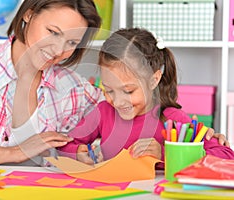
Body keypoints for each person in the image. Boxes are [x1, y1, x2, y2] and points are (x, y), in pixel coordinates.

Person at [0, 0, 104, 165]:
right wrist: (16, 152)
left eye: (72, 42)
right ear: (29, 14)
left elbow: (122, 116)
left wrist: (82, 152)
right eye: (53, 32)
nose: (58, 50)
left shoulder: (74, 88)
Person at [58, 27, 234, 165]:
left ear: (153, 80)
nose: (118, 102)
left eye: (128, 91)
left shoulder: (170, 118)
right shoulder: (103, 112)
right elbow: (66, 144)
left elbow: (226, 156)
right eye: (109, 90)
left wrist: (165, 154)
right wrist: (78, 154)